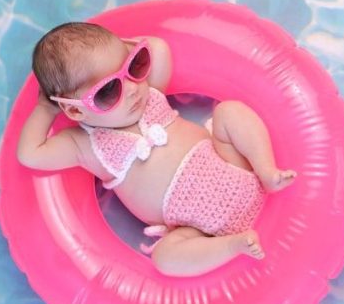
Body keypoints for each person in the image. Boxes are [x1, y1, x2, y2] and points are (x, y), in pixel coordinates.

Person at [16, 22, 296, 277]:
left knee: (230, 112)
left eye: (133, 68)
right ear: (74, 110)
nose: (131, 89)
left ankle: (266, 170)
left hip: (233, 164)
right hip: (198, 229)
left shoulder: (150, 95)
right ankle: (232, 245)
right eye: (108, 91)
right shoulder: (84, 145)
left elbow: (158, 48)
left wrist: (122, 51)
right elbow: (30, 153)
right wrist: (45, 108)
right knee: (165, 258)